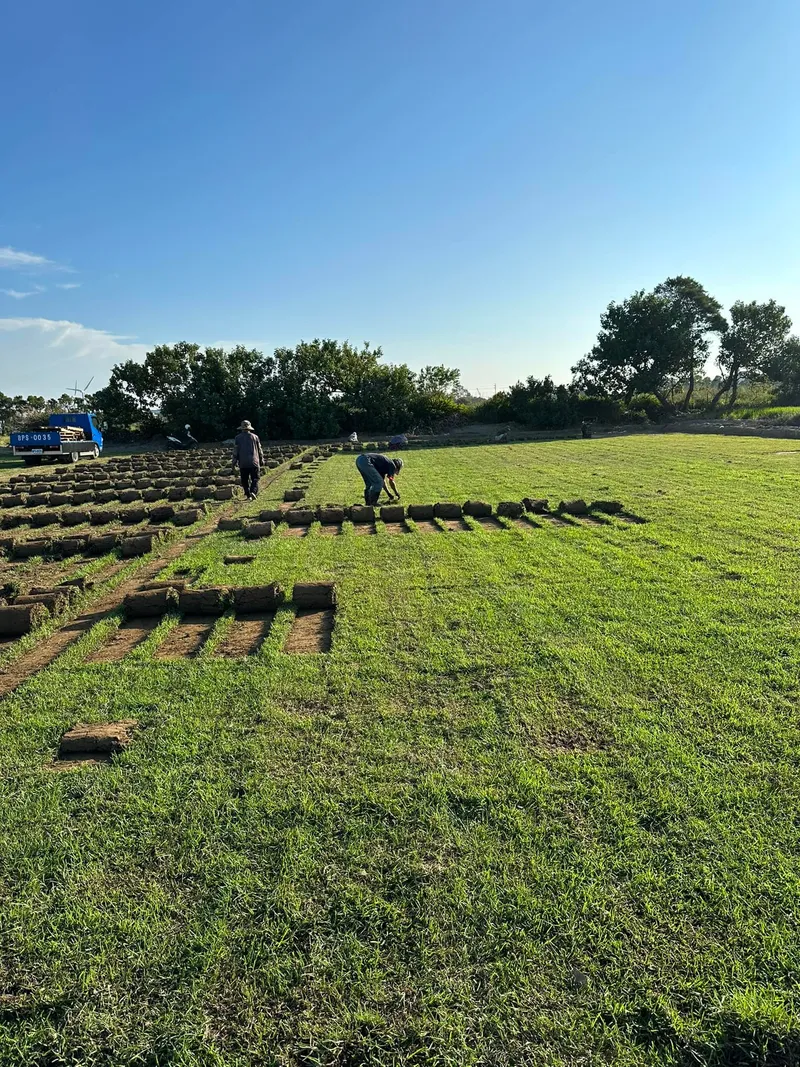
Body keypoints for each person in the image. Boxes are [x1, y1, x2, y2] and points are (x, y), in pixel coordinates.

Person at [231, 419, 265, 499]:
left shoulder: (237, 438)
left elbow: (235, 451)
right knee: (255, 478)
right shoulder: (255, 437)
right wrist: (261, 459)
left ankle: (248, 494)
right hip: (254, 461)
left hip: (243, 462)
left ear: (242, 428)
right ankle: (253, 491)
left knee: (244, 480)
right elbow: (260, 450)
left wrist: (234, 462)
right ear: (249, 428)